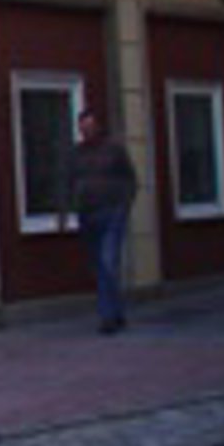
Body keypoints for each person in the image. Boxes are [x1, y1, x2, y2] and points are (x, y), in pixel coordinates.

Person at [68, 108, 138, 335]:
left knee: (108, 261)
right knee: (98, 265)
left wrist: (124, 205)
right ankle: (116, 312)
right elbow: (68, 180)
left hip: (112, 212)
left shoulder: (114, 150)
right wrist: (66, 209)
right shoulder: (76, 153)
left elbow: (130, 179)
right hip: (87, 214)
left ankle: (107, 317)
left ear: (98, 127)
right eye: (82, 127)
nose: (86, 130)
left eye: (90, 126)